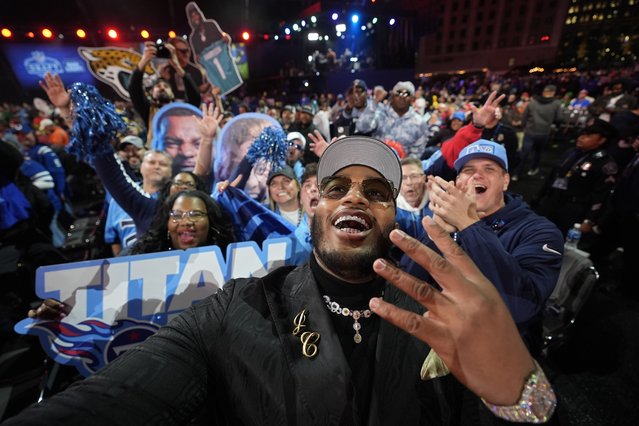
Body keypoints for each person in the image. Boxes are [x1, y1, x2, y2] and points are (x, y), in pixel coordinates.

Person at [7, 136, 556, 425]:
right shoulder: (236, 308)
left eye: (377, 191)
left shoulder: (438, 315)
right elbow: (119, 395)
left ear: (397, 219)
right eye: (337, 187)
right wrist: (81, 314)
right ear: (315, 207)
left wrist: (524, 398)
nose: (355, 197)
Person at [408, 140, 564, 355]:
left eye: (488, 169)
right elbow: (406, 283)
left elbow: (521, 306)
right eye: (468, 170)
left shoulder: (539, 231)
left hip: (497, 356)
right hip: (432, 334)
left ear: (505, 181)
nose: (476, 176)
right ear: (458, 181)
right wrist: (437, 233)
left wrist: (470, 225)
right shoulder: (443, 217)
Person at [535, 118, 619, 238]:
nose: (581, 137)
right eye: (582, 133)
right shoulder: (571, 152)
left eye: (588, 135)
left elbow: (601, 195)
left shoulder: (605, 164)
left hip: (572, 209)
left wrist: (589, 219)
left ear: (602, 140)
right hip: (551, 201)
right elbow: (553, 176)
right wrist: (539, 197)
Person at [128, 41, 201, 145]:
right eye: (158, 86)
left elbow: (195, 99)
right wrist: (144, 61)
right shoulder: (148, 110)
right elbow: (134, 90)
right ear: (151, 94)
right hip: (156, 156)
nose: (162, 88)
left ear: (172, 94)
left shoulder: (180, 110)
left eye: (166, 86)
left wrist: (177, 67)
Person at [357, 81, 431, 158]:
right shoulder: (380, 113)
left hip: (402, 167)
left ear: (412, 99)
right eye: (398, 93)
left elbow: (418, 152)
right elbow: (362, 127)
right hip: (375, 162)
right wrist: (374, 102)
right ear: (392, 97)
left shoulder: (419, 122)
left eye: (407, 94)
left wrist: (403, 166)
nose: (402, 97)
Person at [515, 84, 563, 178]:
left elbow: (524, 117)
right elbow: (559, 118)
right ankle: (533, 169)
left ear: (544, 92)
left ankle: (517, 173)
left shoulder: (533, 102)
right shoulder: (556, 103)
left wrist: (525, 126)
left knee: (524, 153)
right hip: (544, 132)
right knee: (538, 152)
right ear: (553, 93)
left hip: (530, 131)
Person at [395, 157, 431, 240]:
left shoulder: (438, 203)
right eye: (403, 178)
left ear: (423, 178)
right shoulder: (392, 210)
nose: (409, 182)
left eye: (414, 176)